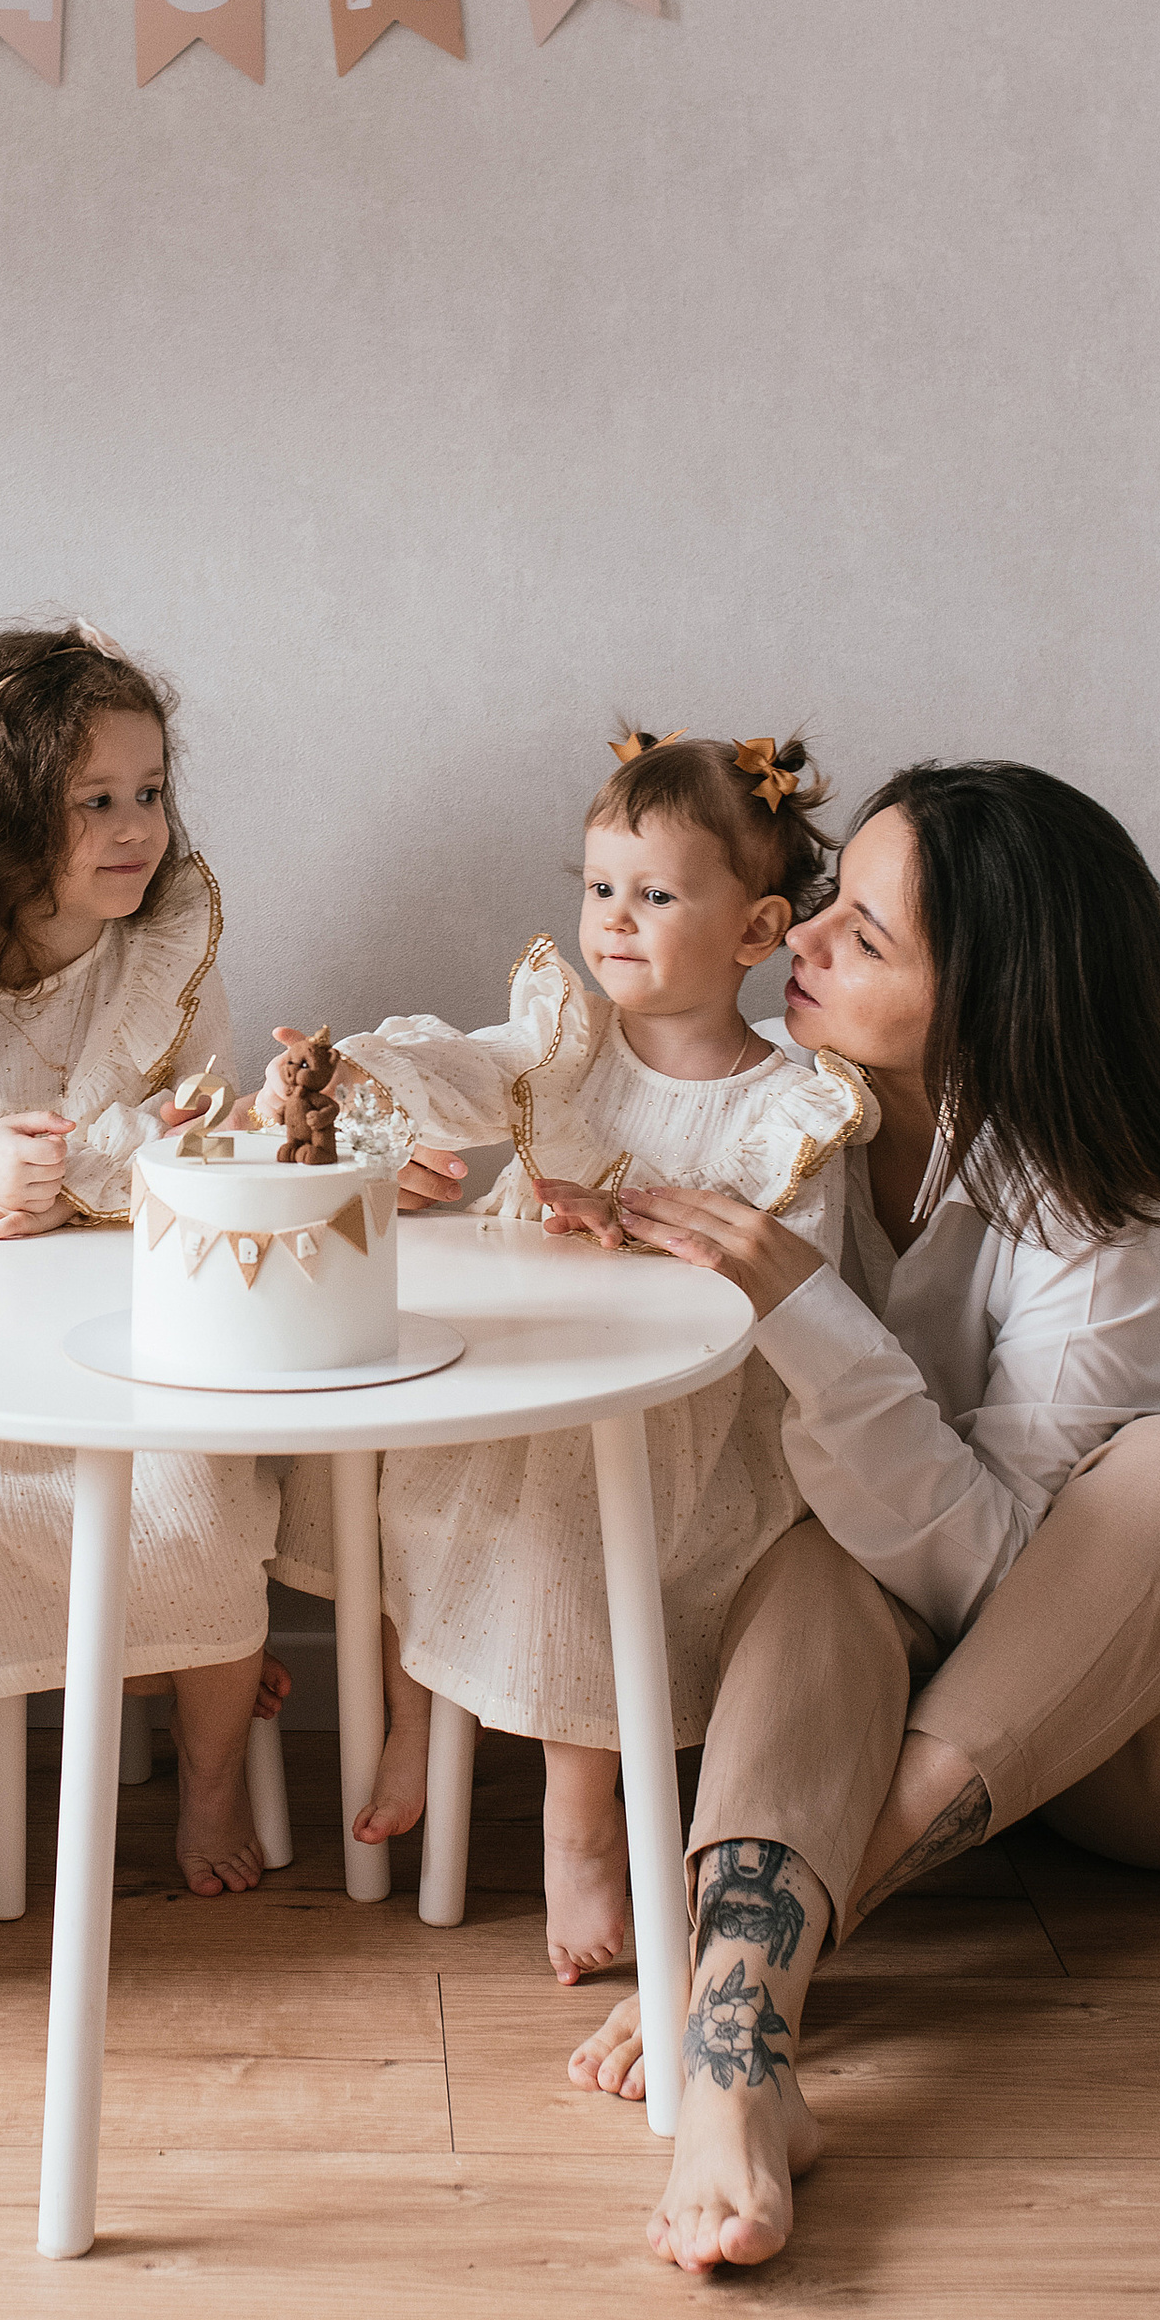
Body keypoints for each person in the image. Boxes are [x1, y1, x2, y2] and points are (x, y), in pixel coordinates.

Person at [561, 760, 1160, 2275]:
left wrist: (806, 1318)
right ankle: (738, 2064)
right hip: (965, 1754)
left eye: (864, 937)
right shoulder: (802, 1121)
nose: (800, 938)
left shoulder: (1104, 1210)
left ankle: (728, 1980)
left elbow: (1006, 1585)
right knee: (817, 1548)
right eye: (831, 906)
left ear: (991, 1001)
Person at [258, 728, 874, 1977]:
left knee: (568, 1531)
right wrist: (354, 1070)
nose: (614, 921)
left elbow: (788, 1283)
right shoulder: (570, 1049)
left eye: (655, 896)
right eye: (599, 888)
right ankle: (411, 1712)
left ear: (756, 933)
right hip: (519, 1375)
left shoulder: (788, 1106)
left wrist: (643, 1239)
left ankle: (577, 1824)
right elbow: (459, 1070)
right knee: (401, 1470)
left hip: (662, 1428)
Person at [0, 623, 284, 1893]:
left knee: (194, 1496)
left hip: (139, 1342)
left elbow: (207, 1143)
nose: (136, 828)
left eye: (148, 794)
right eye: (94, 803)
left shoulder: (168, 954)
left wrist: (71, 1178)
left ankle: (210, 1780)